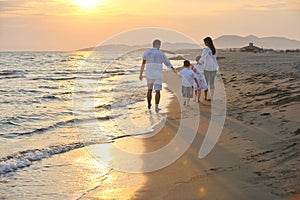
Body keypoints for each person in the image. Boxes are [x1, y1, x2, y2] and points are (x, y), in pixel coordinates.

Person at [139, 39, 176, 112]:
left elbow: (143, 64)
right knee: (157, 91)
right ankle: (156, 107)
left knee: (149, 90)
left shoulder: (146, 53)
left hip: (149, 73)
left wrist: (141, 74)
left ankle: (149, 105)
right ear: (158, 45)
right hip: (158, 74)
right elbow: (167, 63)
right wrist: (173, 70)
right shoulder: (161, 53)